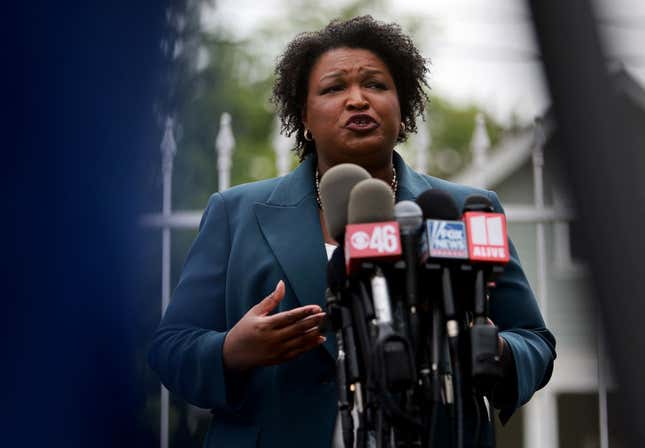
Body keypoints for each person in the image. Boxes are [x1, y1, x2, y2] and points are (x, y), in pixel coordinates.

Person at [148, 16, 556, 448]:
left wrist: (497, 352)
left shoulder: (462, 211)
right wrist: (230, 351)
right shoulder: (236, 213)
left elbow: (535, 342)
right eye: (333, 88)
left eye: (377, 85)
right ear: (304, 115)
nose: (358, 100)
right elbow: (172, 347)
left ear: (403, 109)